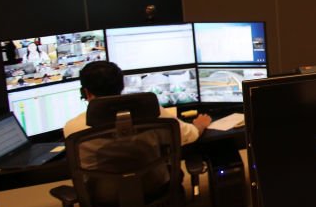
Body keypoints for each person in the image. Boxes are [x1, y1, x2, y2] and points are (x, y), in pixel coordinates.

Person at [64, 61, 211, 146]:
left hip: (101, 196)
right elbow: (188, 135)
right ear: (122, 86)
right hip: (155, 188)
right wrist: (200, 124)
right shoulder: (151, 112)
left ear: (86, 93)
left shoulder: (72, 129)